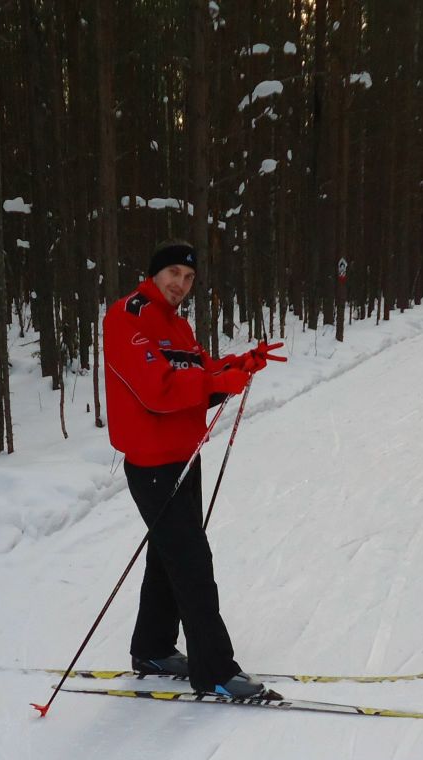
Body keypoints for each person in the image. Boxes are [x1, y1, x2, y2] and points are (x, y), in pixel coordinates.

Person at [102, 239, 285, 698]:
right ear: (155, 272)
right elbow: (157, 390)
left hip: (185, 455)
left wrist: (239, 365)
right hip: (152, 464)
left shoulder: (177, 328)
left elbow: (200, 377)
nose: (181, 285)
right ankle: (217, 671)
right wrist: (214, 379)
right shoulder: (128, 317)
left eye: (189, 279)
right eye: (174, 275)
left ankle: (152, 647)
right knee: (191, 563)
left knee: (169, 556)